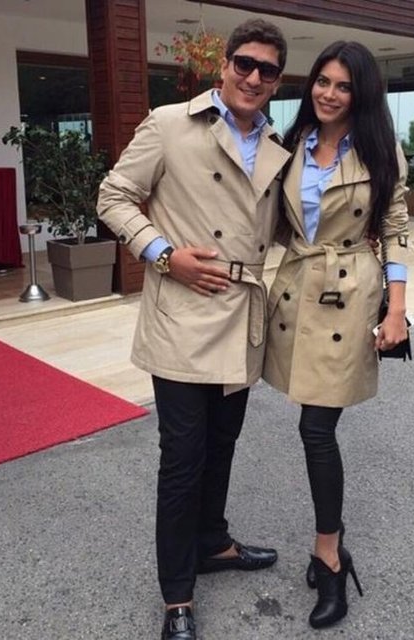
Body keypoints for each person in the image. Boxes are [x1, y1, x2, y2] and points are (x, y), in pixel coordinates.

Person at [96, 19, 291, 640]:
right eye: (244, 63)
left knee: (223, 444)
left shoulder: (276, 142)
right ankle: (176, 596)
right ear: (224, 65)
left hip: (242, 314)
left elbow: (281, 228)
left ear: (277, 81)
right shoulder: (169, 123)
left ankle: (213, 543)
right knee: (183, 458)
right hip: (182, 312)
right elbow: (113, 196)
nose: (253, 77)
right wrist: (163, 255)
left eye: (267, 70)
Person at [263, 40, 412, 629]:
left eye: (343, 85)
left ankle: (329, 554)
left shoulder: (379, 149)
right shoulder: (290, 143)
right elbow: (271, 219)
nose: (328, 93)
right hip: (298, 285)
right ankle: (330, 547)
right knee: (308, 422)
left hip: (350, 294)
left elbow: (395, 228)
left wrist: (397, 311)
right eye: (322, 81)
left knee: (315, 426)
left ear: (361, 93)